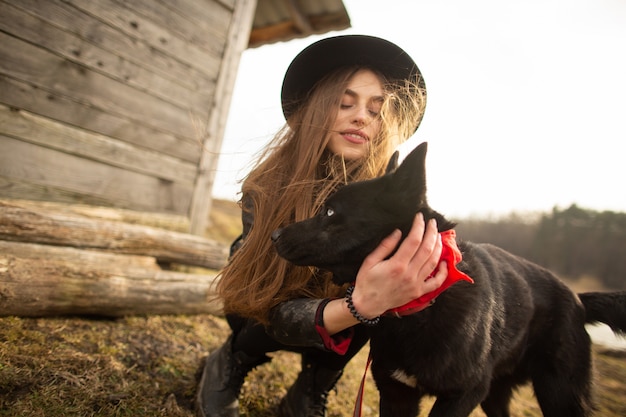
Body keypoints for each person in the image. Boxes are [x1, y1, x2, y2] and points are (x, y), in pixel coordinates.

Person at [196, 35, 449, 417]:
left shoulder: (389, 204)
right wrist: (360, 305)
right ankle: (233, 358)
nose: (361, 116)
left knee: (382, 292)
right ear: (317, 110)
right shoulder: (267, 187)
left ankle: (311, 389)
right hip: (267, 305)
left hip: (348, 315)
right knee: (276, 287)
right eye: (345, 103)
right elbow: (274, 307)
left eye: (376, 110)